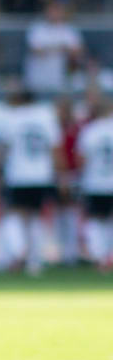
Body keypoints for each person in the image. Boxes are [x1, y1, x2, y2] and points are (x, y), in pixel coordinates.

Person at [0, 87, 62, 275]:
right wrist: (59, 173)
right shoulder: (47, 117)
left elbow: (3, 148)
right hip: (42, 174)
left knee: (15, 214)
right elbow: (55, 147)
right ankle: (35, 261)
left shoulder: (12, 117)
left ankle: (17, 254)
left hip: (18, 174)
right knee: (35, 216)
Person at [75, 99, 113, 271]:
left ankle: (99, 257)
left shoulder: (90, 131)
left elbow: (81, 159)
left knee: (96, 220)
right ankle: (109, 256)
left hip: (96, 183)